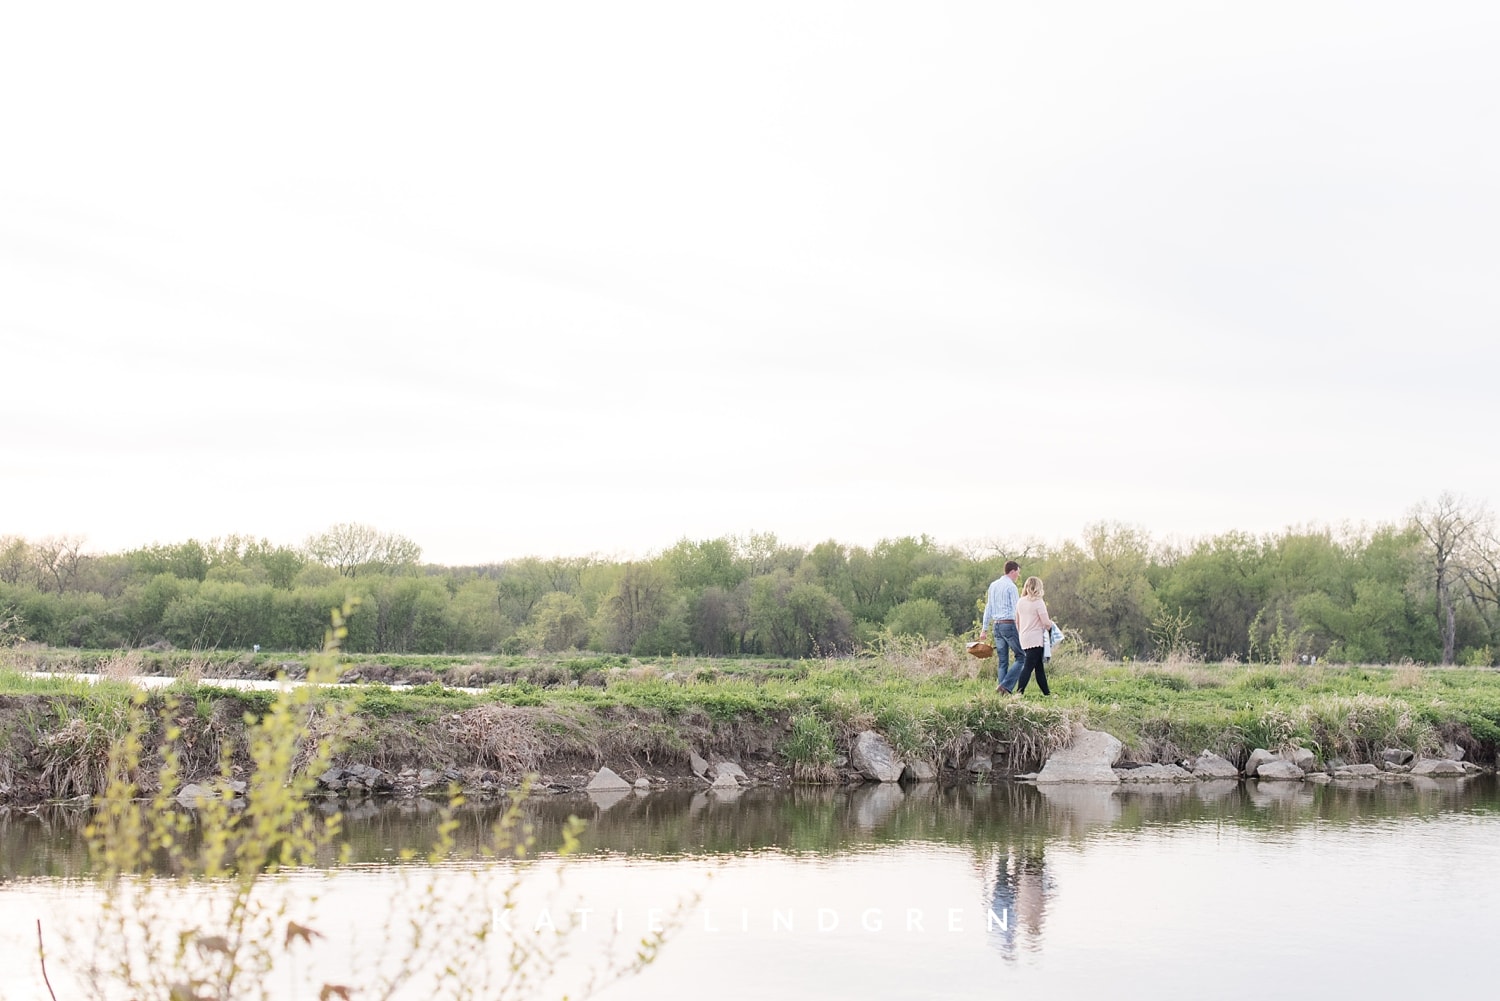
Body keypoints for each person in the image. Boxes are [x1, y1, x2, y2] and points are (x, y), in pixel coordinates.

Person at [979, 561, 1025, 694]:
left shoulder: (993, 585)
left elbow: (989, 607)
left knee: (1003, 661)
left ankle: (1001, 692)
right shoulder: (1011, 587)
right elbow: (1017, 609)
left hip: (997, 626)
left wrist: (984, 629)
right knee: (1022, 657)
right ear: (1012, 571)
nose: (1018, 575)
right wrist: (1021, 627)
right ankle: (1005, 686)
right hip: (1008, 625)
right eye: (1018, 572)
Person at [1014, 576, 1056, 696]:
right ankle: (1019, 693)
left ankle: (1047, 693)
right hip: (1036, 639)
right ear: (1038, 587)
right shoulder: (1038, 602)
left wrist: (1021, 633)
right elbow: (1046, 622)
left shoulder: (1020, 601)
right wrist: (1051, 628)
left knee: (1039, 667)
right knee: (1028, 666)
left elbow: (1017, 621)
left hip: (1024, 637)